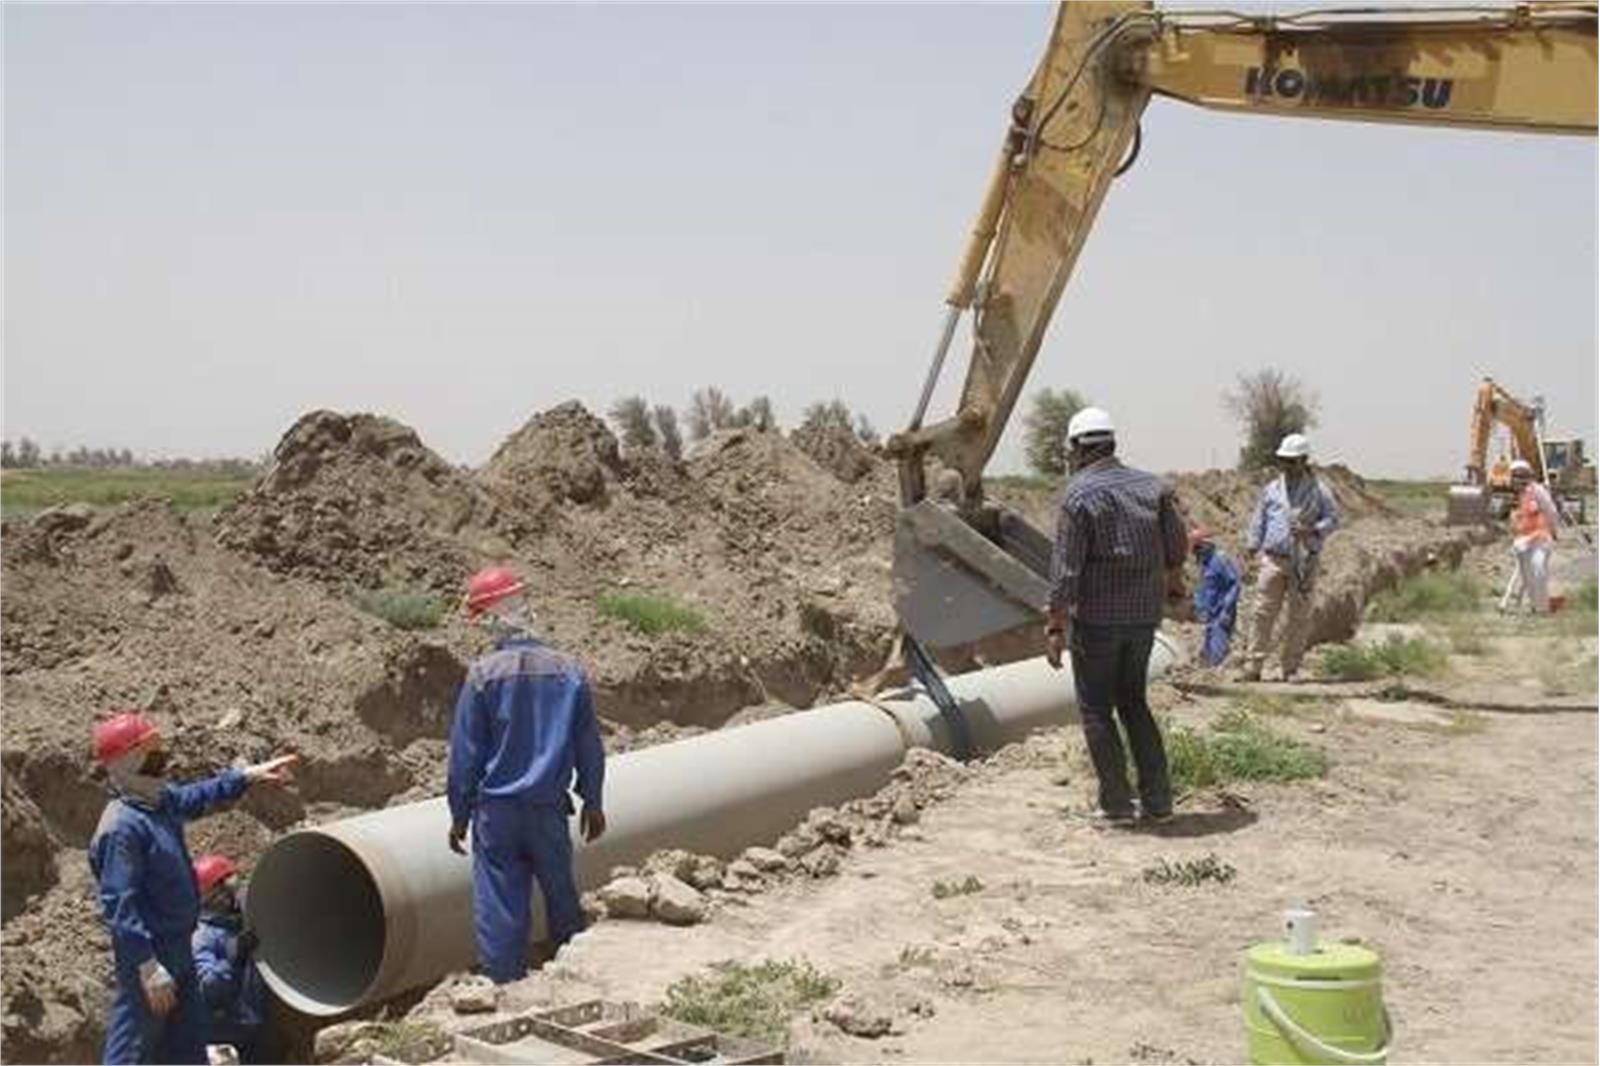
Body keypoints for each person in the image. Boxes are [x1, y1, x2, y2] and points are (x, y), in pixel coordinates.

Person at [87, 712, 295, 1065]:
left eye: (160, 754)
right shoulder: (122, 828)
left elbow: (197, 796)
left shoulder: (158, 803)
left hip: (181, 948)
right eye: (151, 758)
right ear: (124, 765)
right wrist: (147, 967)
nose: (162, 765)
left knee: (186, 1051)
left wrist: (245, 777)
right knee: (131, 1053)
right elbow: (119, 904)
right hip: (151, 958)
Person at [447, 566, 607, 984]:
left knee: (500, 903)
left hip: (496, 812)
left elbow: (466, 753)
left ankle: (503, 988)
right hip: (548, 809)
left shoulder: (482, 675)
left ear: (493, 618)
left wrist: (459, 813)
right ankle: (573, 978)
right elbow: (588, 742)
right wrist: (593, 798)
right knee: (561, 895)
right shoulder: (568, 670)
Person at [1044, 407, 1188, 827]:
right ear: (1111, 443)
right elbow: (1177, 546)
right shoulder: (1153, 488)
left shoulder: (1079, 496)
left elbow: (1066, 572)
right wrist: (1174, 582)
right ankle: (1159, 801)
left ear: (1076, 449)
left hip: (1098, 623)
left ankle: (1116, 804)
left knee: (1095, 710)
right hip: (1144, 618)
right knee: (1134, 703)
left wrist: (1055, 626)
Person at [1236, 433, 1341, 682]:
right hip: (1273, 559)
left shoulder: (1320, 491)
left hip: (1304, 561)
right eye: (1284, 460)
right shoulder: (1272, 489)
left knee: (1298, 615)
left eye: (1292, 461)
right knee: (1262, 612)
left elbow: (1334, 519)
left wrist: (1313, 530)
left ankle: (1290, 668)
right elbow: (1259, 519)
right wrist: (1252, 545)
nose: (1287, 465)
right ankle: (1253, 666)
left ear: (1304, 461)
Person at [190, 854, 267, 1063]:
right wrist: (233, 958)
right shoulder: (202, 936)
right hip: (223, 1038)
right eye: (226, 887)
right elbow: (208, 987)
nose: (234, 893)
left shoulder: (238, 927)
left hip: (253, 1031)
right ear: (212, 894)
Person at [1500, 458, 1561, 613]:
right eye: (1515, 476)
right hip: (1523, 542)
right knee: (1528, 577)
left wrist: (1554, 531)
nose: (1518, 479)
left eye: (1521, 475)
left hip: (1541, 538)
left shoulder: (1538, 491)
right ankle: (1536, 606)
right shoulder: (1515, 496)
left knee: (1538, 569)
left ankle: (1543, 608)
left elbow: (1550, 511)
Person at [1190, 528, 1242, 667]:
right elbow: (1202, 588)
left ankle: (1217, 674)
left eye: (1197, 547)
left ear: (1206, 545)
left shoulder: (1220, 559)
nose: (1195, 552)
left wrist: (1227, 609)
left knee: (1217, 649)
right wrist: (1199, 608)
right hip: (1209, 614)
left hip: (1221, 613)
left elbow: (1235, 584)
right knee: (1207, 650)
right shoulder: (1204, 563)